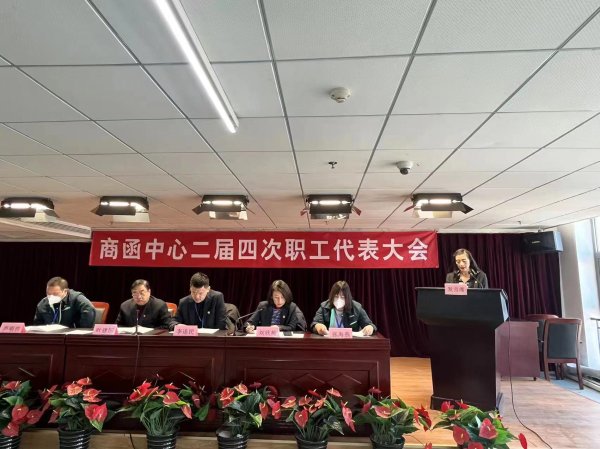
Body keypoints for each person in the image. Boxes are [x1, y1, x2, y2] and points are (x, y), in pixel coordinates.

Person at [311, 281, 376, 336]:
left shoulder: (357, 307)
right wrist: (318, 326)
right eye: (336, 296)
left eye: (343, 297)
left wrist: (370, 328)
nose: (339, 300)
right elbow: (314, 323)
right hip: (329, 342)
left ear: (348, 297)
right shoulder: (324, 307)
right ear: (331, 297)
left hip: (350, 343)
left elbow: (370, 325)